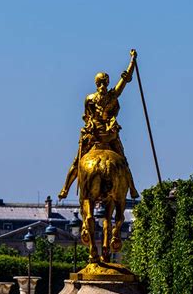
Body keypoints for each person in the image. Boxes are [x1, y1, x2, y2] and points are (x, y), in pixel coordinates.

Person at [58, 49, 139, 200]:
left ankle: (65, 188)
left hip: (94, 135)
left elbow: (86, 117)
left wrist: (89, 126)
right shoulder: (112, 95)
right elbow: (126, 80)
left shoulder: (89, 98)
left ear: (96, 83)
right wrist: (132, 61)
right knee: (123, 162)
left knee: (77, 163)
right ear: (107, 83)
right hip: (109, 135)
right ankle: (133, 188)